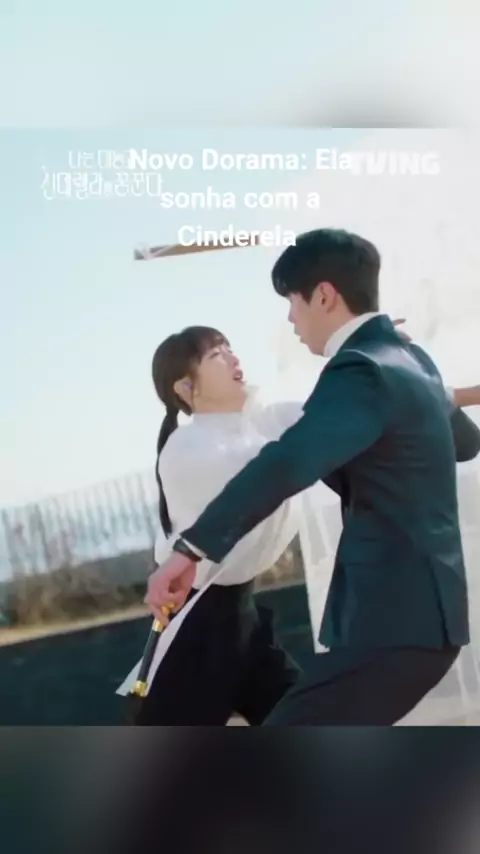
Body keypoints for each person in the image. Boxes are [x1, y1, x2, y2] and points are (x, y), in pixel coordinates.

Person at [145, 228, 480, 726]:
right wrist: (421, 383)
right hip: (414, 623)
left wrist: (189, 549)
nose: (290, 319)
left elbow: (286, 461)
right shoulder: (406, 361)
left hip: (391, 623)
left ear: (323, 296)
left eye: (292, 302)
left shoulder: (361, 370)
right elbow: (464, 443)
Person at [126, 325, 303, 725]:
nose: (233, 358)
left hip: (241, 618)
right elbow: (273, 467)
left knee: (314, 720)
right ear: (186, 387)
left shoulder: (256, 426)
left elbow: (328, 416)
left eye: (230, 348)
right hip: (197, 629)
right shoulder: (187, 449)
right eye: (216, 355)